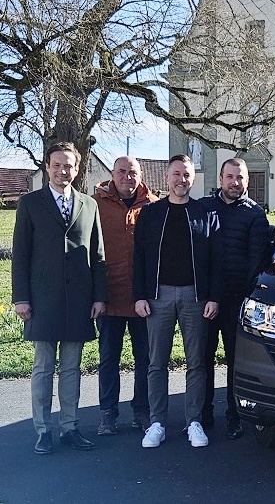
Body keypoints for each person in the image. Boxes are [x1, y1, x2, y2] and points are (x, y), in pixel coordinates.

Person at [12, 142, 107, 454]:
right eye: (57, 165)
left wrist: (98, 296)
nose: (62, 170)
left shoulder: (89, 205)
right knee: (42, 368)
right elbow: (21, 255)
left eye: (68, 165)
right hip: (42, 300)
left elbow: (98, 255)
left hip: (79, 301)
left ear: (76, 169)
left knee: (71, 367)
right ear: (47, 166)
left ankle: (70, 426)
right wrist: (21, 297)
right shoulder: (30, 203)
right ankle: (43, 430)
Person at [133, 154, 222, 449]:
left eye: (186, 175)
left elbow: (215, 261)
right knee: (156, 363)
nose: (181, 180)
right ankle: (157, 422)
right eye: (176, 174)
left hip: (195, 298)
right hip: (158, 297)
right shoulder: (151, 213)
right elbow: (139, 259)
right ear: (166, 178)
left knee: (196, 363)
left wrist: (213, 297)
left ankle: (193, 421)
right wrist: (139, 296)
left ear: (192, 178)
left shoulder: (205, 213)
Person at [200, 158, 269, 439]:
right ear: (220, 178)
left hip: (237, 300)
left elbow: (257, 260)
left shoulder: (255, 215)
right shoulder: (204, 208)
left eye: (239, 178)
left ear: (247, 181)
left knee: (235, 362)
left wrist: (247, 296)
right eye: (229, 177)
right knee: (202, 359)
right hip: (205, 299)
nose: (234, 182)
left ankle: (234, 415)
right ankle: (202, 415)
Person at [93, 157, 158, 435]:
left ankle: (141, 410)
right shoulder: (96, 204)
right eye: (122, 171)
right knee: (109, 358)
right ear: (112, 174)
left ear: (140, 175)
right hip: (109, 295)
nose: (127, 177)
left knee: (145, 357)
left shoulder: (153, 205)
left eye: (133, 172)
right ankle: (108, 412)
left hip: (143, 297)